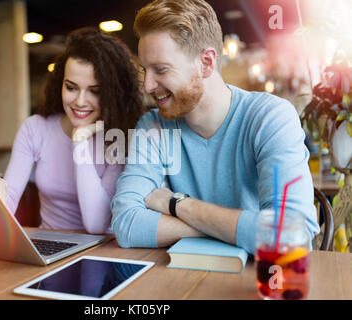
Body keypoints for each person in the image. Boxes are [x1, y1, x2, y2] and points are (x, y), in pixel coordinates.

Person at [110, 0, 320, 254]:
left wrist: (178, 205)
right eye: (146, 71)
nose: (148, 86)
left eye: (161, 70)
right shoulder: (152, 126)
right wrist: (232, 230)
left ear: (207, 63)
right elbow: (126, 225)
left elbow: (292, 238)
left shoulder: (270, 117)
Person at [0, 28, 145, 234]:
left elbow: (95, 224)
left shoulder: (119, 136)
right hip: (49, 247)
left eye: (94, 91)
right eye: (71, 87)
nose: (79, 101)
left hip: (101, 252)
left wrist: (80, 141)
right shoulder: (36, 128)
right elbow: (10, 199)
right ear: (60, 83)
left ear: (112, 93)